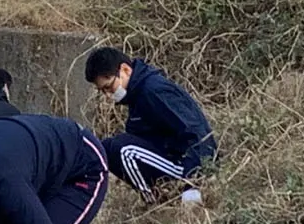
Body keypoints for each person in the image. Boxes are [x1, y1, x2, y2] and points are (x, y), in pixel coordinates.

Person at [85, 44, 215, 205]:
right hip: (169, 160)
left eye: (109, 87)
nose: (108, 95)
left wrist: (192, 184)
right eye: (102, 91)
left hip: (189, 167)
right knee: (106, 149)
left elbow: (197, 132)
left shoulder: (154, 91)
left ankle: (155, 204)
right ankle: (162, 197)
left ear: (125, 70)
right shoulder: (136, 97)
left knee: (124, 150)